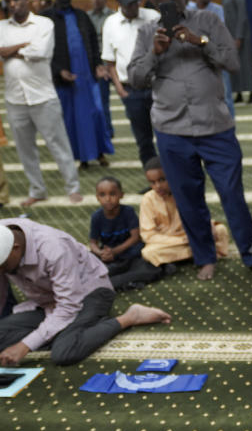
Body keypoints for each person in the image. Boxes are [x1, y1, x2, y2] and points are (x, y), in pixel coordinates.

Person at [127, 0, 252, 281]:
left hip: (216, 127)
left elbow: (231, 61)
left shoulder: (209, 21)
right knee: (188, 199)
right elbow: (135, 79)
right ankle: (205, 257)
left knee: (232, 195)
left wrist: (200, 41)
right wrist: (154, 53)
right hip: (173, 132)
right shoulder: (147, 33)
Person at [0, 219, 171, 367]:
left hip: (88, 295)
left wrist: (25, 345)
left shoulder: (53, 249)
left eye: (3, 267)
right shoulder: (4, 234)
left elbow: (68, 307)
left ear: (16, 248)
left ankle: (130, 317)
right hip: (48, 304)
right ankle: (74, 331)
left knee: (64, 352)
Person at [0, 0, 82, 206]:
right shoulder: (2, 27)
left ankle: (72, 187)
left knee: (58, 144)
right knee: (25, 149)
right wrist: (23, 47)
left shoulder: (43, 23)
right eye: (8, 1)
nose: (13, 4)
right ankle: (37, 190)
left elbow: (41, 52)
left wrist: (10, 51)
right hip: (15, 99)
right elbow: (2, 51)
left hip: (43, 97)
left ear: (26, 0)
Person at [45, 0, 114, 168]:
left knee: (95, 114)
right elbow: (44, 50)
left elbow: (92, 41)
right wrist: (59, 70)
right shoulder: (46, 18)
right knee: (71, 119)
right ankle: (82, 157)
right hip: (64, 79)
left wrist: (98, 65)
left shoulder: (82, 15)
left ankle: (99, 153)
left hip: (87, 76)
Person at [101, 0, 160, 168]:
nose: (135, 6)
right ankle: (153, 179)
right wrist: (120, 89)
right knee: (143, 139)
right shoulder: (110, 24)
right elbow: (110, 62)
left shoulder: (153, 16)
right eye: (129, 3)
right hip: (131, 90)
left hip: (157, 86)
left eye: (137, 1)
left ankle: (172, 177)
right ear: (118, 2)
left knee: (166, 134)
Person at [140, 156, 229, 271]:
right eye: (152, 182)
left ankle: (179, 257)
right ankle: (196, 252)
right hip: (167, 241)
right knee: (148, 252)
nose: (158, 186)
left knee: (220, 230)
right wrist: (184, 240)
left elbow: (200, 215)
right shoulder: (148, 199)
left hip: (190, 235)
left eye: (162, 180)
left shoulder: (184, 191)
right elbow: (149, 235)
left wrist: (208, 225)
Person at [89, 175, 164, 291]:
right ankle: (118, 280)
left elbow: (135, 237)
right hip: (109, 255)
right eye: (102, 195)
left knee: (149, 266)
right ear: (97, 197)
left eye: (112, 194)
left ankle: (113, 280)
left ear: (121, 195)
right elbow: (93, 243)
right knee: (87, 263)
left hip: (128, 253)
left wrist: (115, 251)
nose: (108, 199)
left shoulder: (128, 212)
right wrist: (101, 253)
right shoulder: (96, 217)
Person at [189, 0, 234, 119]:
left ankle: (229, 125)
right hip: (196, 62)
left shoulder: (217, 9)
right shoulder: (189, 11)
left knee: (225, 97)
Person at [215, 0, 252, 105]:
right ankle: (238, 93)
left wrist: (238, 37)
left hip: (241, 37)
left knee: (246, 65)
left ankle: (251, 93)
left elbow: (242, 17)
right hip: (230, 37)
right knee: (234, 66)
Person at [87, 0, 115, 138]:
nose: (96, 1)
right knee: (102, 101)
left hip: (113, 63)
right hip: (98, 66)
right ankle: (107, 131)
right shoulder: (87, 17)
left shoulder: (112, 15)